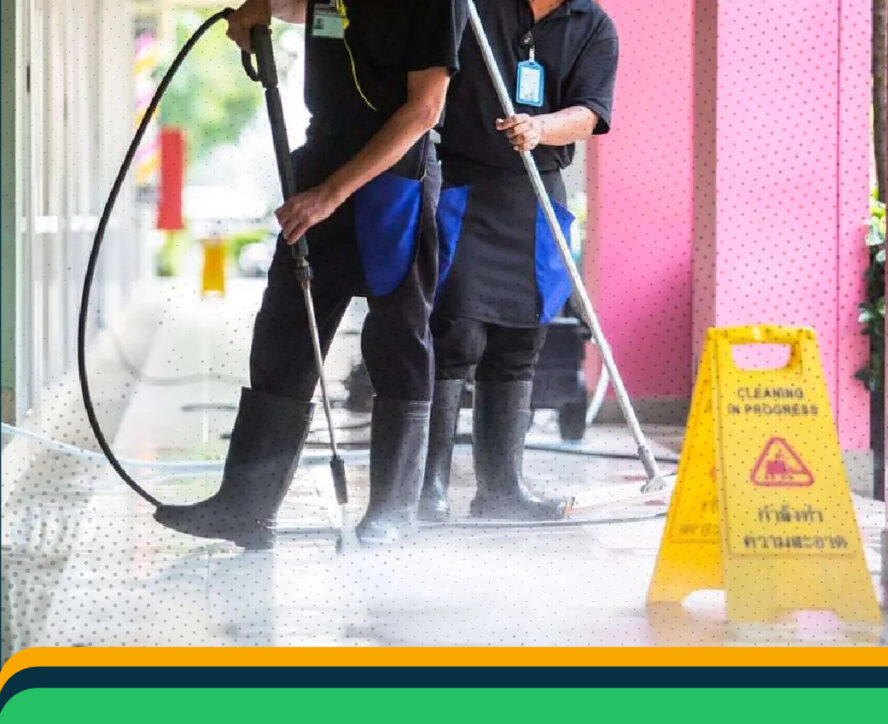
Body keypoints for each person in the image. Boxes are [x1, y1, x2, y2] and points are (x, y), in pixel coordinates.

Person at [154, 0, 467, 547]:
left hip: (393, 176)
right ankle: (245, 507)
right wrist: (260, 7)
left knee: (398, 340)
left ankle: (394, 511)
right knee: (285, 333)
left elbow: (425, 110)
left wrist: (332, 193)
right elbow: (304, 7)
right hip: (323, 159)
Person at [419, 0, 619, 522]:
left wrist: (540, 127)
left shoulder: (593, 25)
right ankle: (427, 488)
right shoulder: (472, 7)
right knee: (455, 334)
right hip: (466, 185)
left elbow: (591, 112)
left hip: (536, 192)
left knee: (520, 341)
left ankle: (501, 490)